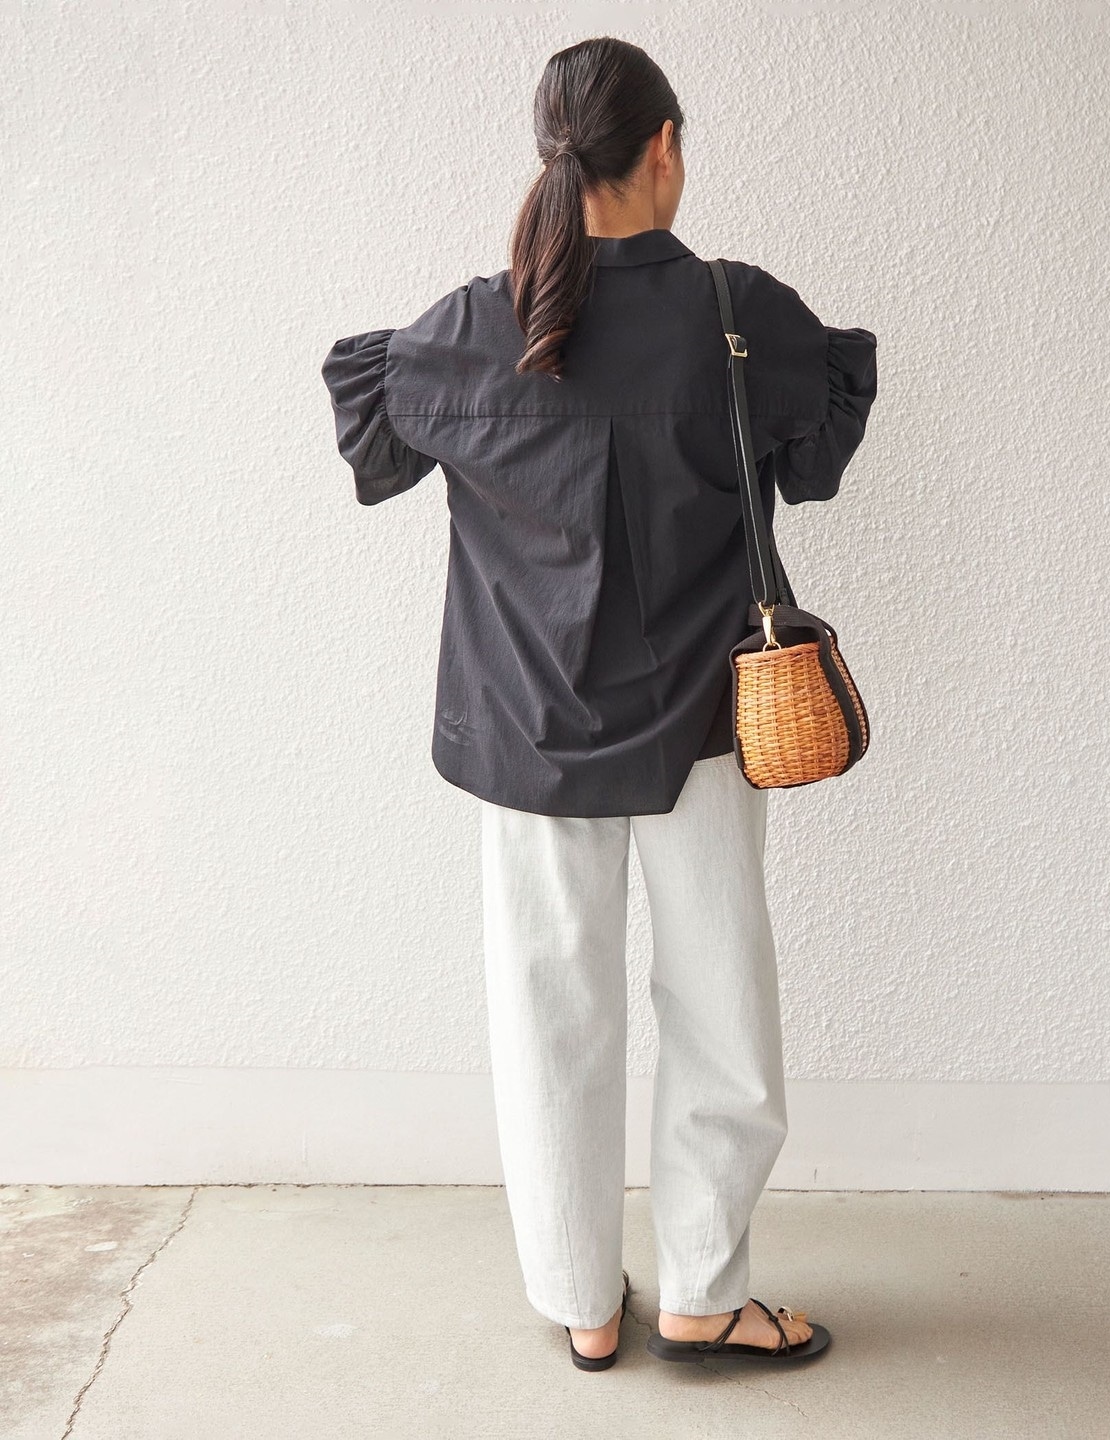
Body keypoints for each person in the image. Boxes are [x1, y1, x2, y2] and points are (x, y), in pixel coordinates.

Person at [321, 37, 877, 1372]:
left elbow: (373, 441)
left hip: (529, 735)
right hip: (705, 728)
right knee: (722, 1009)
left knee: (548, 1017)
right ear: (664, 148)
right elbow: (817, 457)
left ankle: (582, 1304)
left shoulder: (474, 326)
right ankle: (703, 1293)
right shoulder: (741, 316)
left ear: (552, 157)